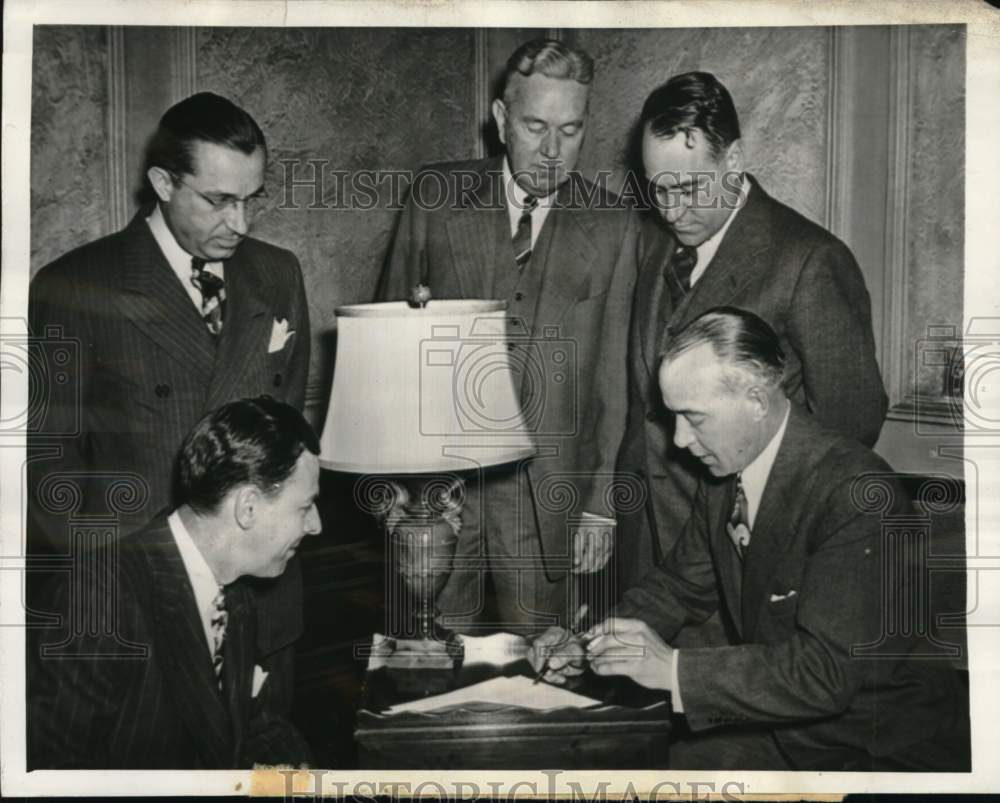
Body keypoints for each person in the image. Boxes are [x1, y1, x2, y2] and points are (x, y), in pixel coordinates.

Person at [531, 308, 968, 771]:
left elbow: (825, 674)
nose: (679, 440)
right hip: (784, 729)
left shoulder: (856, 493)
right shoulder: (728, 472)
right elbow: (678, 586)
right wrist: (594, 644)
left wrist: (671, 668)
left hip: (875, 747)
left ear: (757, 400)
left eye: (693, 418)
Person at [28, 91, 310, 652]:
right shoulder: (76, 286)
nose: (240, 222)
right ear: (162, 183)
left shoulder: (278, 273)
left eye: (251, 198)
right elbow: (47, 469)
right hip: (135, 602)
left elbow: (288, 431)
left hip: (260, 599)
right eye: (218, 200)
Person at [378, 38, 640, 631]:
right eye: (534, 126)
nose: (551, 151)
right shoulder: (435, 198)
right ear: (500, 120)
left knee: (543, 677)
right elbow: (387, 355)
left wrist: (601, 507)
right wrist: (395, 486)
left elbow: (615, 379)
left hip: (549, 502)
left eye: (570, 130)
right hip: (439, 493)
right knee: (430, 664)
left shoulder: (616, 224)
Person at [616, 72, 888, 590]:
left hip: (737, 565)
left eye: (691, 187)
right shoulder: (656, 243)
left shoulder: (811, 261)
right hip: (643, 549)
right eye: (658, 189)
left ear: (734, 161)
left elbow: (849, 429)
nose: (671, 210)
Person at [28, 397, 321, 769]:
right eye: (305, 506)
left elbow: (255, 728)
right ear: (247, 508)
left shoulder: (237, 590)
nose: (315, 525)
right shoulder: (94, 599)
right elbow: (51, 775)